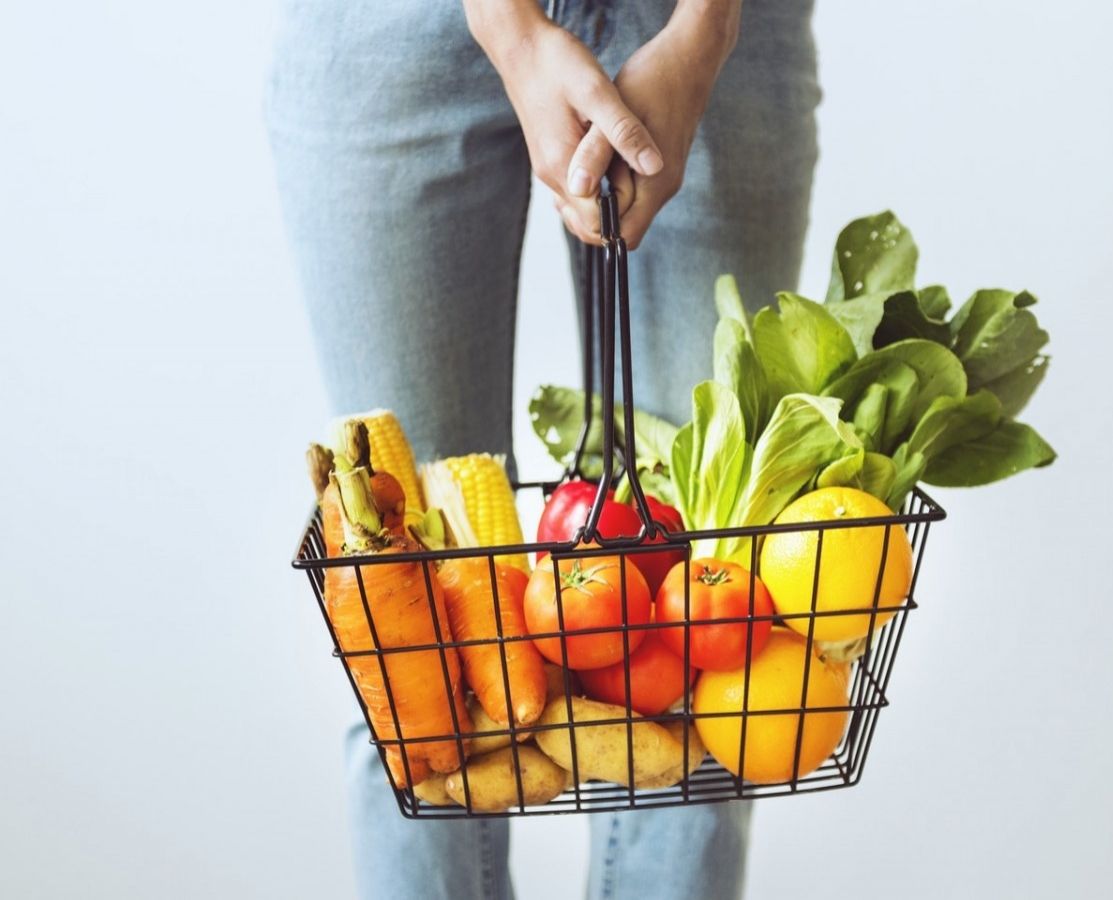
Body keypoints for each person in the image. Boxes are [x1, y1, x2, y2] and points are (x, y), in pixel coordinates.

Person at [266, 1, 819, 897]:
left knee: (715, 653)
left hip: (703, 23)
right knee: (409, 666)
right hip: (390, 30)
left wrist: (709, 29)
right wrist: (508, 27)